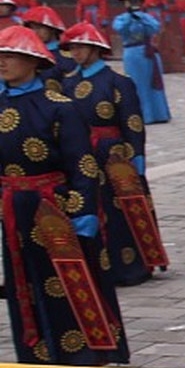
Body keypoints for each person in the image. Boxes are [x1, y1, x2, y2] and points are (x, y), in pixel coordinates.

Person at [0, 25, 130, 368]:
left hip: (54, 204)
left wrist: (84, 210)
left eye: (10, 55)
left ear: (33, 60)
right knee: (23, 282)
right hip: (12, 206)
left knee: (69, 279)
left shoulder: (59, 107)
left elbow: (83, 165)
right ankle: (36, 359)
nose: (3, 63)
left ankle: (86, 357)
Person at [60, 22, 167, 287]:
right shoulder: (68, 84)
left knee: (119, 211)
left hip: (113, 157)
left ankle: (130, 267)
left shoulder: (117, 82)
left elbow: (133, 124)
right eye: (72, 47)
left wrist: (135, 163)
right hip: (81, 156)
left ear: (96, 48)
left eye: (81, 47)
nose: (76, 53)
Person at [111, 0, 171, 125]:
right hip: (132, 54)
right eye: (127, 2)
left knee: (153, 83)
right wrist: (130, 18)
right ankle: (143, 115)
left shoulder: (147, 17)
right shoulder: (121, 18)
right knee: (136, 84)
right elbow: (119, 29)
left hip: (147, 52)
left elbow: (155, 28)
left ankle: (159, 114)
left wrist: (141, 18)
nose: (131, 4)